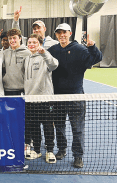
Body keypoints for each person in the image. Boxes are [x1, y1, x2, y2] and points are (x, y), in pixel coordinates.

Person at [48, 23, 102, 168]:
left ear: (70, 33)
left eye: (64, 32)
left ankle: (78, 156)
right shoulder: (52, 50)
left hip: (76, 96)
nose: (62, 35)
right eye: (59, 33)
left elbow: (96, 58)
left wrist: (92, 47)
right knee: (59, 126)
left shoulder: (80, 49)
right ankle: (61, 149)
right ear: (56, 35)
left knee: (77, 127)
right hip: (57, 97)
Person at [23, 34, 58, 163]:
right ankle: (37, 150)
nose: (31, 44)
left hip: (45, 100)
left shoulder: (45, 57)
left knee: (48, 126)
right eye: (30, 42)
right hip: (30, 99)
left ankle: (49, 151)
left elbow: (54, 65)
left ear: (40, 43)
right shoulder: (27, 59)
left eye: (34, 42)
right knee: (34, 126)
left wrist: (44, 53)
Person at [2, 28, 31, 96]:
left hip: (22, 90)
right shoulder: (4, 53)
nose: (12, 40)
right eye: (10, 38)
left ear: (20, 38)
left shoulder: (28, 53)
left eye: (14, 38)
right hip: (7, 89)